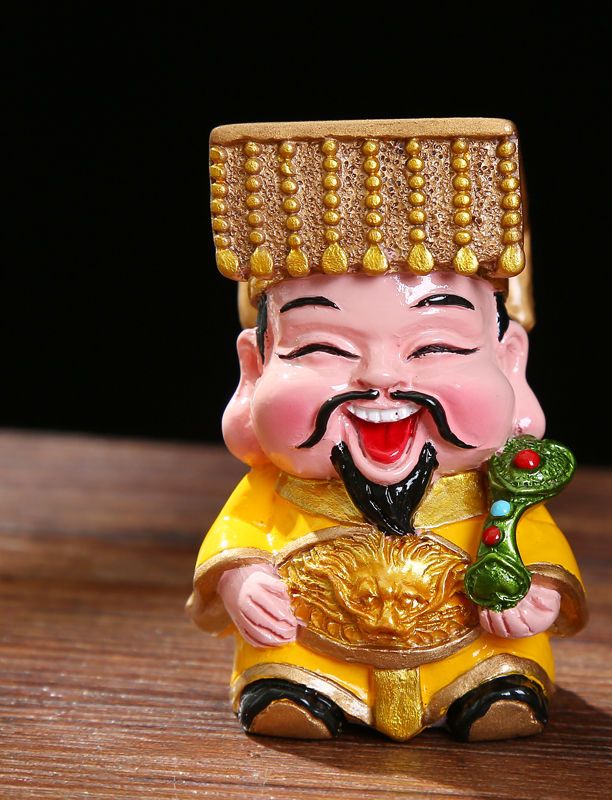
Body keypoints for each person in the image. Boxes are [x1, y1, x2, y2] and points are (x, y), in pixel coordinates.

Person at [187, 119, 587, 742]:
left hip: (471, 646)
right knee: (287, 668)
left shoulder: (500, 487)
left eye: (435, 347)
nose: (381, 378)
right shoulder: (276, 488)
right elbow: (238, 538)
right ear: (255, 368)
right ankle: (291, 689)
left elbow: (533, 541)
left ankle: (494, 686)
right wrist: (243, 581)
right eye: (322, 347)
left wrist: (538, 585)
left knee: (501, 666)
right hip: (313, 648)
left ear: (510, 362)